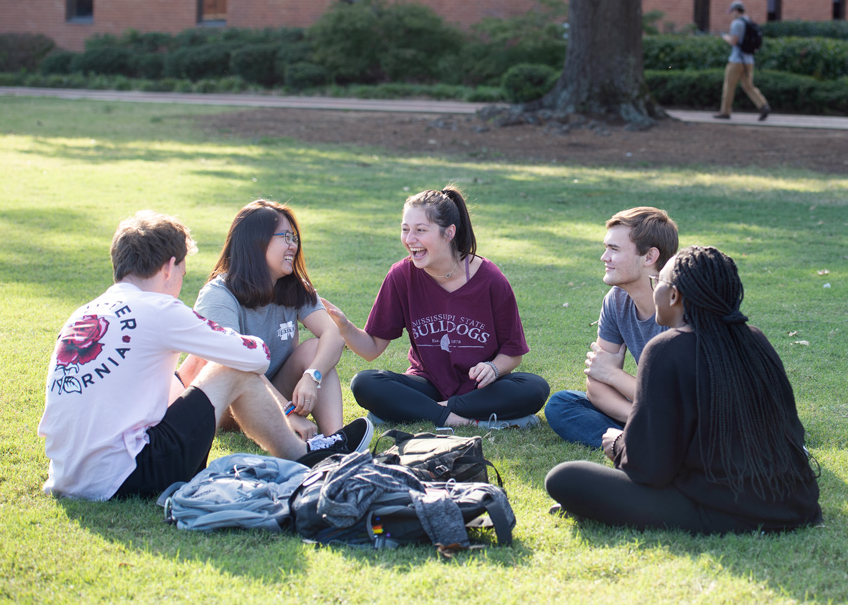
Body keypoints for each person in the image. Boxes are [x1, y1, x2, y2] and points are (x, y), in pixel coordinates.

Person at [37, 212, 371, 501]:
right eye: (182, 270)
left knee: (197, 366)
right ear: (170, 267)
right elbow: (252, 356)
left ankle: (315, 446)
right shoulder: (160, 308)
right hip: (125, 475)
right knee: (232, 367)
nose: (182, 279)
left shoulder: (83, 314)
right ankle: (304, 457)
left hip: (67, 476)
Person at [545, 246, 822, 534]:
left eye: (657, 283)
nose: (654, 291)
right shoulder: (755, 339)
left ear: (674, 295)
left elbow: (648, 470)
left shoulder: (665, 349)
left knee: (564, 478)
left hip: (726, 510)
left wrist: (619, 445)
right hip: (797, 503)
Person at [325, 186, 549, 429]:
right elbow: (371, 349)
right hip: (427, 386)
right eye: (405, 230)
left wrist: (493, 368)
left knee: (535, 388)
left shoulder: (490, 278)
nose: (410, 240)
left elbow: (513, 352)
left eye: (421, 230)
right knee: (365, 383)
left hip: (481, 388)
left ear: (449, 232)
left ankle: (422, 412)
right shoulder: (401, 276)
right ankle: (464, 419)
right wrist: (345, 327)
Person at [179, 200, 345, 440]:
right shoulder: (219, 294)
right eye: (285, 237)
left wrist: (312, 376)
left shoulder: (294, 288)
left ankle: (336, 441)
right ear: (256, 242)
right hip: (226, 403)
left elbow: (333, 335)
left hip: (271, 392)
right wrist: (287, 413)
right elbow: (235, 365)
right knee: (239, 360)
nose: (293, 246)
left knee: (316, 349)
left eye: (294, 238)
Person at [544, 207, 678, 448]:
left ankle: (640, 441)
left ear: (649, 257)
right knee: (562, 404)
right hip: (652, 412)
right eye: (606, 248)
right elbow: (596, 384)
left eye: (614, 249)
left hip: (695, 413)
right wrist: (642, 418)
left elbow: (676, 400)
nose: (604, 257)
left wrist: (614, 375)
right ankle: (646, 437)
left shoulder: (681, 306)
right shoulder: (616, 300)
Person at [714, 0, 772, 121]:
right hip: (749, 61)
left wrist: (725, 37)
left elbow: (733, 41)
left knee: (729, 86)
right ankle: (763, 105)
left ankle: (725, 112)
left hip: (736, 61)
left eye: (732, 12)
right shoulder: (749, 21)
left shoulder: (737, 23)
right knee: (748, 86)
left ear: (736, 10)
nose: (732, 14)